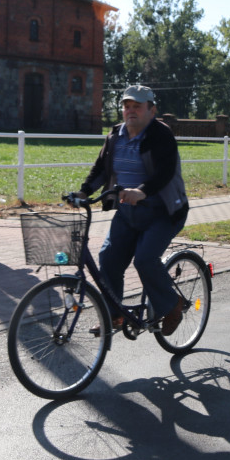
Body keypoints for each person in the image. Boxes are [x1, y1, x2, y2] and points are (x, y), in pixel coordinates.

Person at [77, 85, 189, 336]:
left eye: (137, 106)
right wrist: (84, 192)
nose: (130, 111)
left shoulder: (161, 135)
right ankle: (114, 315)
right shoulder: (115, 135)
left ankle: (173, 306)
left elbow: (164, 172)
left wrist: (142, 191)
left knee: (145, 260)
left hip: (163, 212)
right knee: (108, 258)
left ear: (152, 109)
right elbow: (102, 169)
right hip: (128, 212)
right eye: (127, 106)